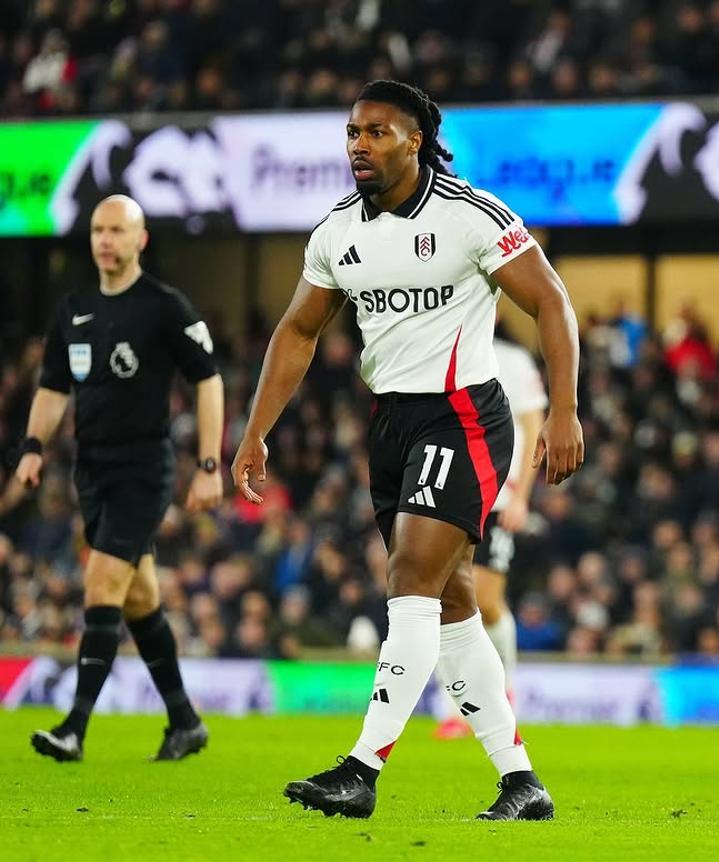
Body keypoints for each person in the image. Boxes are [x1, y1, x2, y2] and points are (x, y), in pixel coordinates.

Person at [231, 80, 583, 821]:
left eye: (377, 132)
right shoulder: (337, 232)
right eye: (352, 133)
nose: (359, 145)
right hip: (391, 423)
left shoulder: (469, 215)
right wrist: (256, 429)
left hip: (464, 417)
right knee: (452, 602)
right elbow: (298, 331)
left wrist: (564, 411)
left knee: (411, 580)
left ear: (415, 141)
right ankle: (521, 781)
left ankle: (361, 770)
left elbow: (550, 299)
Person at [18, 195, 223, 762]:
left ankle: (74, 729)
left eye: (117, 230)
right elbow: (53, 387)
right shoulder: (74, 308)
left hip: (143, 469)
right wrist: (32, 446)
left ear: (140, 240)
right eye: (97, 230)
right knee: (138, 597)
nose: (105, 240)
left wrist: (209, 465)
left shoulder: (164, 306)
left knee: (102, 584)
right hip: (92, 470)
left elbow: (207, 379)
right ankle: (185, 722)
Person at [436, 322, 547, 739]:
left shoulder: (513, 361)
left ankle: (506, 689)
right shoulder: (442, 352)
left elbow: (534, 428)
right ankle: (455, 706)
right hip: (451, 496)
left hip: (499, 499)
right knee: (445, 599)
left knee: (486, 600)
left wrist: (521, 496)